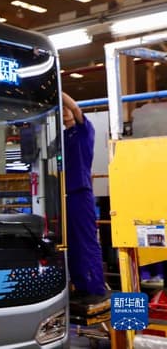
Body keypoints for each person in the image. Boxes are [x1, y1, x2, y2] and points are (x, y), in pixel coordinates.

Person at [62, 92, 108, 304]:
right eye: (61, 110)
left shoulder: (84, 130)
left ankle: (95, 288)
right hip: (64, 195)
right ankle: (81, 286)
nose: (65, 112)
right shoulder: (62, 138)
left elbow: (75, 107)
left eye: (66, 109)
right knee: (71, 243)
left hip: (81, 193)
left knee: (86, 241)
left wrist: (59, 91)